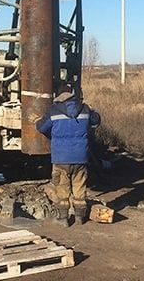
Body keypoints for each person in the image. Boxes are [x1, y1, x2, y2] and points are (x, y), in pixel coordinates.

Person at [35, 82, 101, 226]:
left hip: (61, 157)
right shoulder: (84, 109)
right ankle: (79, 218)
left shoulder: (53, 111)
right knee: (79, 188)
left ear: (58, 95)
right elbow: (96, 121)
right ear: (72, 94)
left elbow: (41, 127)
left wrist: (37, 122)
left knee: (62, 189)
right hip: (80, 157)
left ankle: (63, 219)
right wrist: (93, 112)